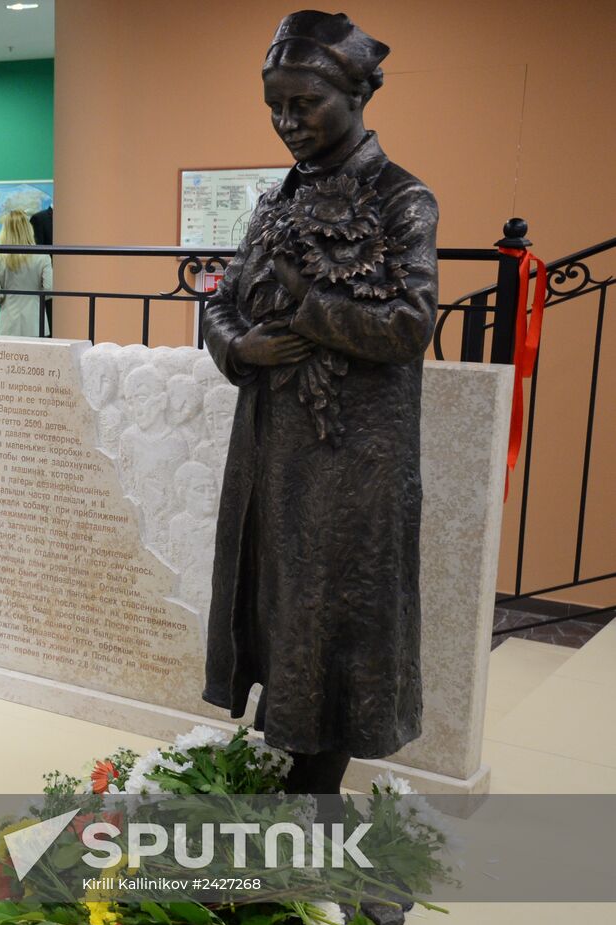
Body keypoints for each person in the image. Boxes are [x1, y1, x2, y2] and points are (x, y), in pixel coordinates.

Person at [199, 11, 439, 794]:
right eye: (274, 106)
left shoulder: (402, 199)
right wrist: (241, 347)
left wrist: (302, 306)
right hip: (270, 448)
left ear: (358, 93)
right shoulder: (275, 201)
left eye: (304, 104)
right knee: (276, 611)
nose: (286, 122)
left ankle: (313, 799)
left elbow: (406, 326)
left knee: (332, 621)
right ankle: (297, 797)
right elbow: (220, 301)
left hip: (351, 463)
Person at [0, 210, 52, 338]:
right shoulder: (43, 256)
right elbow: (49, 290)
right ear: (29, 229)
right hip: (36, 322)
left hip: (8, 323)